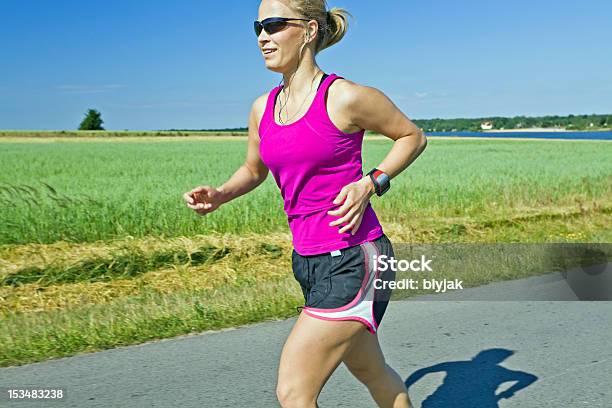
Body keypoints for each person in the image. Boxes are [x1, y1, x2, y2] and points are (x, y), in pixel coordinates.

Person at [183, 1, 427, 406]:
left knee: (294, 392)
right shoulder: (263, 107)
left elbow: (412, 137)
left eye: (275, 24)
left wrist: (371, 183)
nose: (263, 35)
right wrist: (222, 194)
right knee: (371, 370)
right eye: (258, 26)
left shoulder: (345, 97)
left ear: (310, 30)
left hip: (355, 258)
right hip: (309, 261)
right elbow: (254, 169)